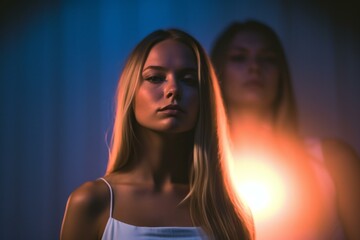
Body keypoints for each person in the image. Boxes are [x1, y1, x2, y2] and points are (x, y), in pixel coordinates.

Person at [60, 28, 254, 240]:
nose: (173, 90)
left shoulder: (229, 213)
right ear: (131, 94)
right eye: (155, 78)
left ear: (204, 98)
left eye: (188, 79)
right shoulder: (92, 202)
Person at [210, 20, 360, 240]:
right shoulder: (198, 167)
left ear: (281, 74)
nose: (255, 67)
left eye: (267, 59)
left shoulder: (333, 159)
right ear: (218, 73)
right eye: (239, 58)